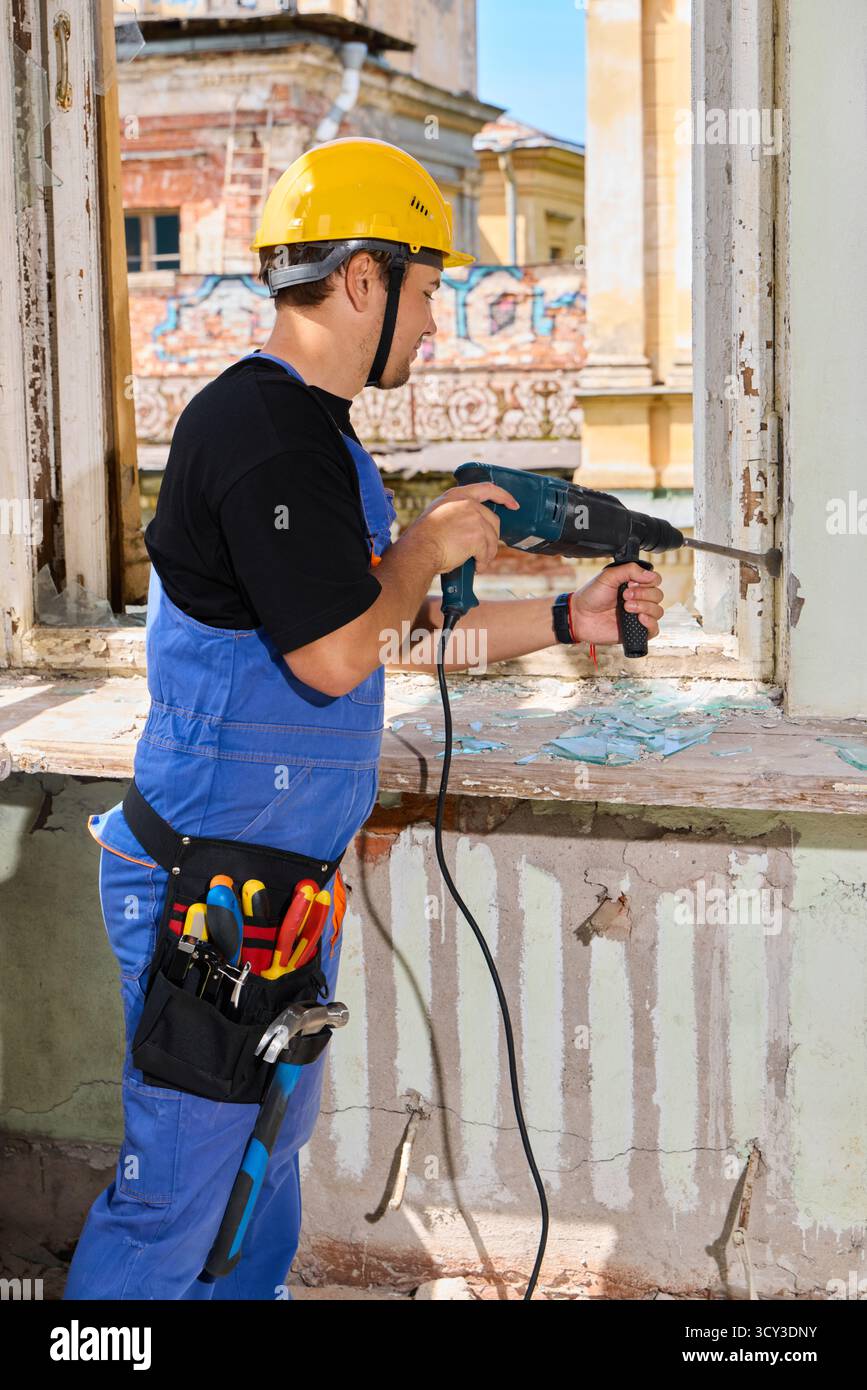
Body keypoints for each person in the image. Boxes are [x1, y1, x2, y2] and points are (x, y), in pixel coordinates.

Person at [64, 137, 664, 1300]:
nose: (438, 322)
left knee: (258, 1174)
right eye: (429, 288)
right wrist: (432, 544)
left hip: (278, 891)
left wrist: (565, 616)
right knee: (172, 1198)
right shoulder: (257, 431)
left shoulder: (321, 445)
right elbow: (341, 656)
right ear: (360, 279)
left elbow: (391, 629)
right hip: (210, 898)